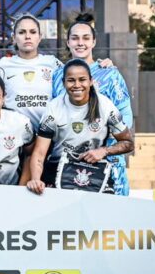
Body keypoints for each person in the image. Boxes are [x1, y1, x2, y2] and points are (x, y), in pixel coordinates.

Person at [52, 13, 134, 196]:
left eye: (86, 38)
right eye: (75, 38)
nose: (80, 43)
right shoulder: (57, 75)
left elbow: (126, 117)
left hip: (106, 163)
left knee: (109, 220)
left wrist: (105, 150)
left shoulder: (109, 74)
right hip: (69, 163)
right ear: (68, 42)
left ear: (94, 42)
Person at [26, 59, 134, 194]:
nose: (77, 85)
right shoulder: (53, 108)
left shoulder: (106, 106)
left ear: (91, 81)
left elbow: (128, 143)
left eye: (82, 80)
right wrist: (36, 179)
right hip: (58, 167)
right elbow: (39, 153)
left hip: (95, 169)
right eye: (71, 80)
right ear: (63, 82)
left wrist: (104, 151)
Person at [0, 13, 64, 130]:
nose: (27, 36)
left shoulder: (52, 63)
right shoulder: (3, 65)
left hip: (48, 135)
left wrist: (102, 63)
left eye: (33, 32)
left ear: (40, 37)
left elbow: (78, 76)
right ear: (14, 38)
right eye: (22, 32)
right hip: (14, 134)